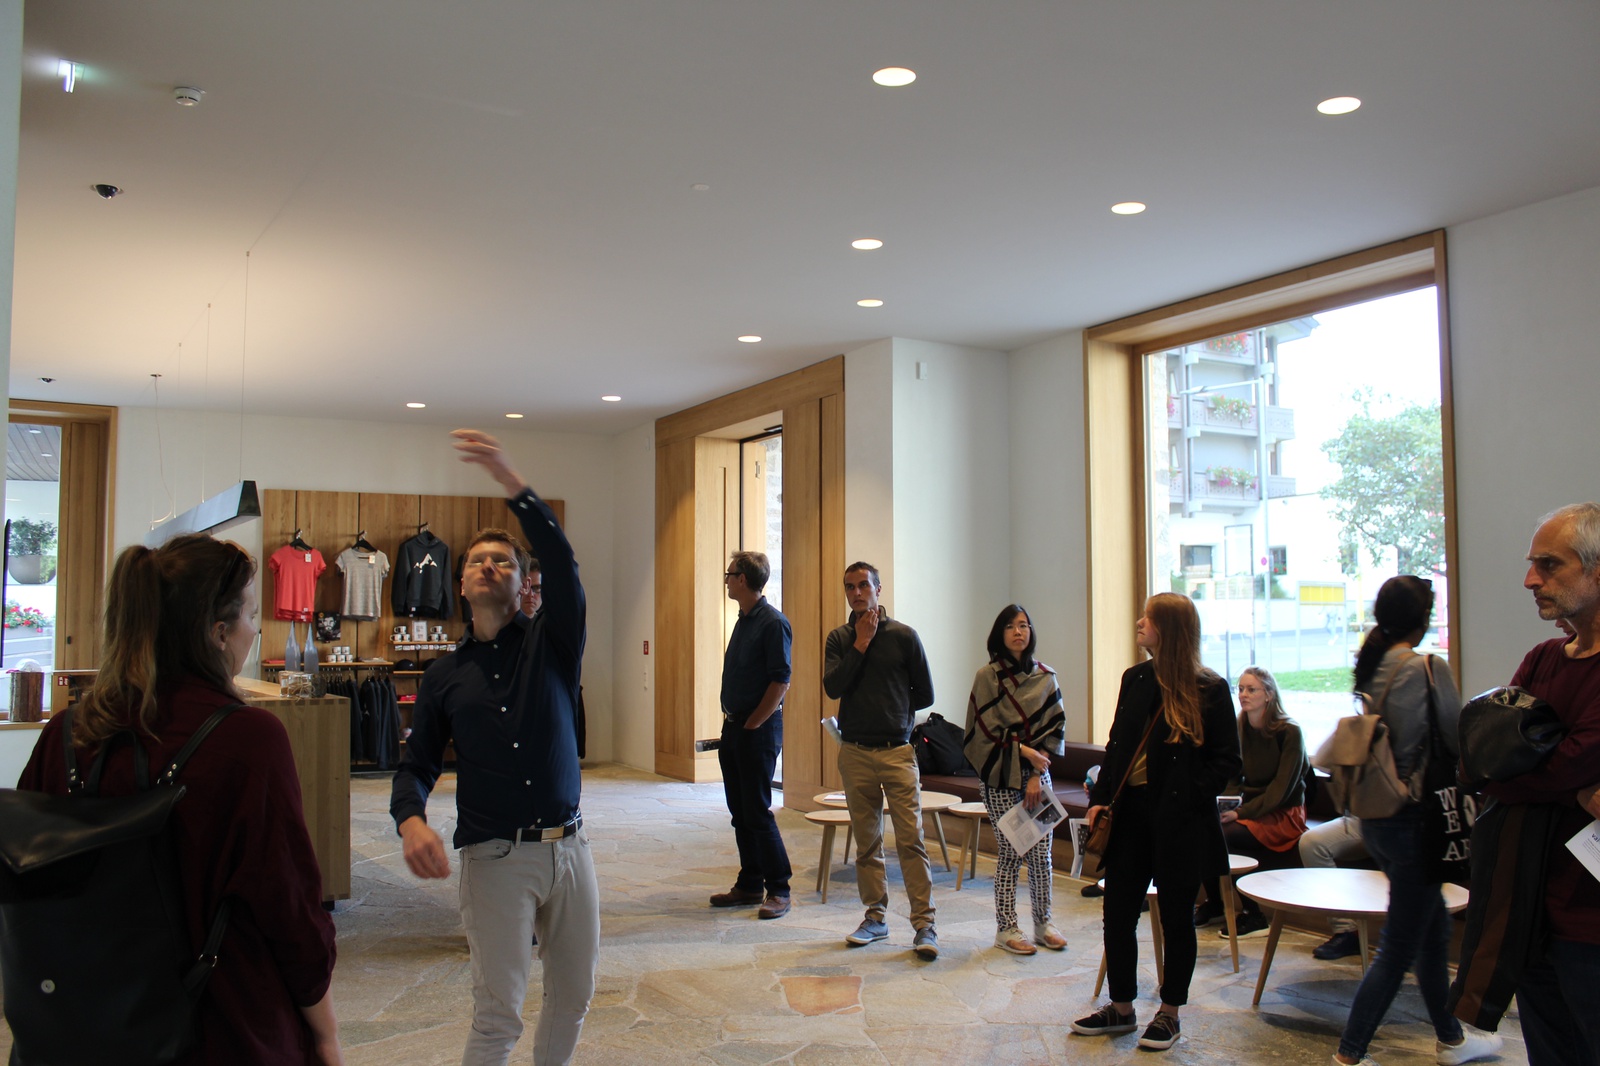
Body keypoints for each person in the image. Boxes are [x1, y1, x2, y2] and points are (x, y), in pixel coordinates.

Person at [18, 535, 342, 1065]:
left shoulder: (67, 734)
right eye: (251, 615)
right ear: (219, 632)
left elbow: (25, 872)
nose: (255, 630)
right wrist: (325, 1032)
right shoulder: (248, 740)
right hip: (215, 1024)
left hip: (84, 1019)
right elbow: (289, 907)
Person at [390, 429, 598, 1066]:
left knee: (574, 996)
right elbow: (417, 765)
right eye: (478, 560)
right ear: (460, 584)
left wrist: (514, 484)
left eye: (503, 561)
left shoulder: (554, 645)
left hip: (571, 850)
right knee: (498, 1014)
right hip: (495, 857)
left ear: (523, 581)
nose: (489, 566)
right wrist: (411, 821)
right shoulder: (444, 676)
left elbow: (563, 563)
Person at [1331, 576, 1500, 1066]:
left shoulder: (1373, 665)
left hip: (1377, 817)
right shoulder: (1427, 667)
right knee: (1399, 947)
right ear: (1422, 620)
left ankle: (1451, 1038)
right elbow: (1456, 733)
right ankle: (1349, 1052)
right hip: (1417, 819)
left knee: (1431, 932)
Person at [1457, 502, 1600, 1066]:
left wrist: (1538, 772)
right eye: (1532, 564)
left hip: (1591, 920)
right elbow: (1482, 760)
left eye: (1549, 564)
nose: (1530, 580)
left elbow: (1568, 760)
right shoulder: (1542, 660)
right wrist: (1575, 792)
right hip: (1527, 911)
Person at [1072, 592, 1241, 1052]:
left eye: (1149, 617)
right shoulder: (1135, 678)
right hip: (1130, 815)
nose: (1139, 622)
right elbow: (1117, 746)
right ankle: (1121, 1008)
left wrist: (1188, 794)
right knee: (1117, 912)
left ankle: (1170, 1013)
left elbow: (1228, 760)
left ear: (1170, 629)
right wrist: (1100, 798)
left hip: (1180, 821)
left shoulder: (1209, 688)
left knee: (1176, 918)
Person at [822, 561, 939, 959]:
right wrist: (860, 643)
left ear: (878, 589)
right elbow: (833, 686)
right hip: (855, 753)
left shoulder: (904, 636)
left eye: (863, 585)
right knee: (867, 842)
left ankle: (925, 925)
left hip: (896, 752)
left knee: (911, 840)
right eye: (849, 587)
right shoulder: (840, 639)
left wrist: (895, 711)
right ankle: (875, 917)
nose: (856, 593)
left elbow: (925, 694)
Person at [962, 604, 1068, 955]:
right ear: (1000, 634)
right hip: (999, 775)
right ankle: (1006, 928)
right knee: (1011, 851)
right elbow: (981, 733)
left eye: (1023, 625)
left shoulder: (1046, 677)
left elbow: (1055, 729)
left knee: (1042, 853)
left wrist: (1036, 772)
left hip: (1038, 776)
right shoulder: (987, 677)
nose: (1018, 632)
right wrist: (1023, 751)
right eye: (1010, 626)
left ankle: (1044, 923)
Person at [709, 550, 794, 919]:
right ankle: (749, 883)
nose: (727, 581)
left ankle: (779, 888)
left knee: (756, 811)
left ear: (742, 579)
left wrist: (754, 723)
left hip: (756, 729)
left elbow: (781, 681)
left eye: (729, 575)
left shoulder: (773, 623)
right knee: (739, 812)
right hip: (735, 726)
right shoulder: (744, 620)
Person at [1194, 666, 1308, 939]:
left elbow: (1281, 791)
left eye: (1251, 689)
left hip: (1283, 812)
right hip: (1250, 807)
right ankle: (1216, 903)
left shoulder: (1289, 731)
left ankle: (1253, 914)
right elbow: (1233, 776)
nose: (1243, 695)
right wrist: (1227, 805)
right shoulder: (1240, 726)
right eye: (1241, 689)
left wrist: (1241, 813)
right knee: (1204, 826)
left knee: (1224, 836)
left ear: (1269, 694)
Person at [1297, 815, 1370, 959]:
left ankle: (1404, 943)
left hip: (1406, 820)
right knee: (1312, 842)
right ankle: (1346, 931)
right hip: (1362, 818)